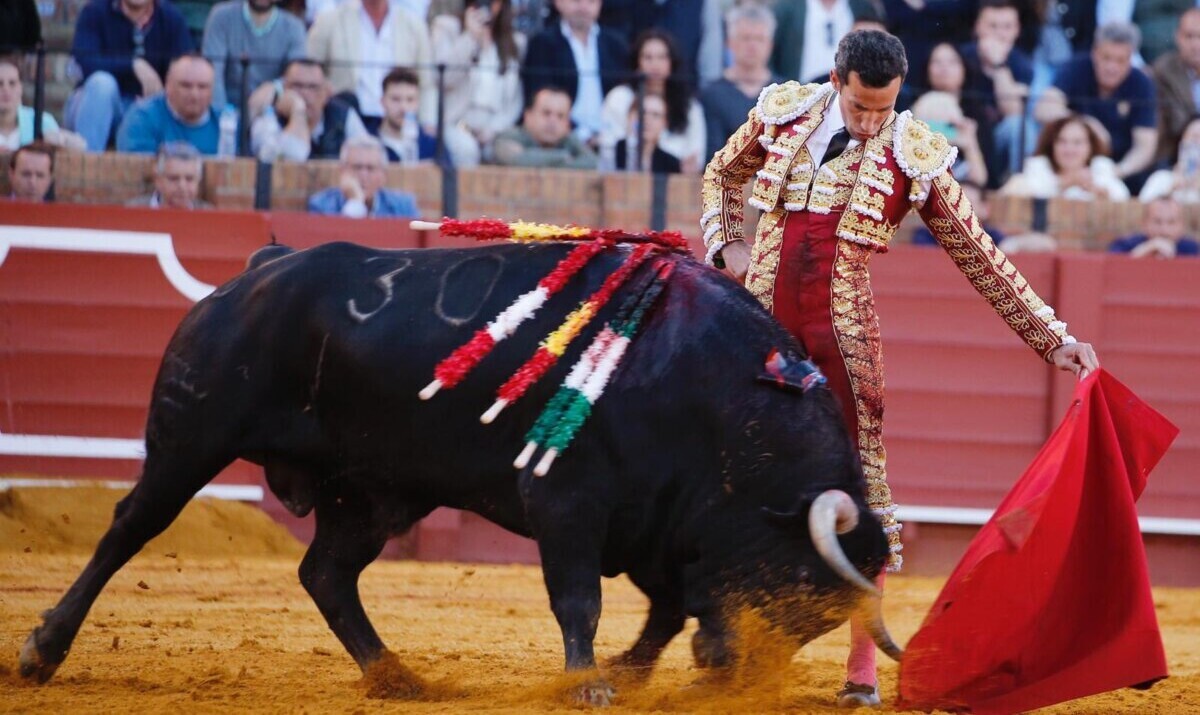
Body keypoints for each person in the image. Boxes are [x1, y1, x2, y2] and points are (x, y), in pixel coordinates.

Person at [701, 30, 1098, 707]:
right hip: (760, 334)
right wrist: (726, 243)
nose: (871, 121)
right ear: (836, 79)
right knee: (742, 480)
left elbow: (979, 253)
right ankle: (742, 641)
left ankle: (861, 667)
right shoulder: (784, 111)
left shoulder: (912, 152)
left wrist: (1051, 336)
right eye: (860, 107)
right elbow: (723, 175)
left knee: (864, 490)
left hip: (845, 344)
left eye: (883, 109)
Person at [1035, 22, 1157, 189]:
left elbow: (1145, 146)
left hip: (1118, 172)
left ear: (1131, 59)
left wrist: (1116, 172)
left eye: (1120, 60)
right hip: (1067, 167)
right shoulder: (1076, 68)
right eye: (1106, 58)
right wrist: (1085, 124)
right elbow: (1043, 109)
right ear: (1095, 53)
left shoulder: (1141, 84)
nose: (1111, 67)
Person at [66, 0, 194, 152]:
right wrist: (133, 65)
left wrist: (161, 92)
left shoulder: (171, 17)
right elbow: (85, 61)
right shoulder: (95, 11)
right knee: (102, 84)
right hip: (99, 106)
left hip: (148, 106)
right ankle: (85, 165)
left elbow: (186, 66)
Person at [306, 0, 436, 131]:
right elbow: (308, 72)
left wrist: (428, 123)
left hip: (398, 126)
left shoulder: (414, 25)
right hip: (344, 123)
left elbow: (426, 83)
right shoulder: (330, 21)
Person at [430, 0, 525, 167]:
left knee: (514, 153)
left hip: (496, 129)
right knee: (467, 150)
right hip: (456, 124)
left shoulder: (516, 42)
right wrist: (470, 37)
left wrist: (493, 129)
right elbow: (443, 78)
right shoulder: (447, 27)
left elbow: (515, 101)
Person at [521, 0, 628, 146]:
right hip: (562, 140)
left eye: (591, 2)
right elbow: (539, 96)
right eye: (576, 1)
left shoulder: (616, 45)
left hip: (610, 140)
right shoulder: (542, 44)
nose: (583, 7)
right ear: (558, 3)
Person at [600, 30, 705, 173]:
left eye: (662, 57)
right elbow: (609, 147)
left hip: (674, 181)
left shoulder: (690, 106)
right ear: (637, 62)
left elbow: (695, 156)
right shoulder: (619, 98)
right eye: (648, 58)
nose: (655, 64)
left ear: (672, 62)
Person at [958, 0, 1033, 184]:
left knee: (1020, 126)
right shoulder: (960, 56)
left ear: (1017, 30)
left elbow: (1014, 112)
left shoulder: (1021, 64)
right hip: (960, 133)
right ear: (978, 27)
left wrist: (999, 65)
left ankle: (1017, 186)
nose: (1000, 34)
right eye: (992, 26)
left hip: (997, 140)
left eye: (1007, 27)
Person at [700, 4, 783, 162]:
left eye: (759, 39)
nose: (752, 45)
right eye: (745, 38)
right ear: (730, 43)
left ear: (770, 45)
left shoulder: (785, 92)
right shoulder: (711, 94)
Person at [248, 59, 370, 162]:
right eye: (297, 86)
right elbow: (291, 160)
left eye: (313, 87)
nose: (305, 94)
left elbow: (369, 156)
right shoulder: (268, 118)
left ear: (326, 92)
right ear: (284, 88)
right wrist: (297, 112)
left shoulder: (344, 115)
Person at [201, 0, 308, 110]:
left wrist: (275, 87)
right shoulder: (221, 16)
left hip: (272, 111)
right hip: (228, 109)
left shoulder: (294, 27)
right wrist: (220, 114)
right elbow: (213, 72)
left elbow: (298, 75)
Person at [1000, 114, 1129, 200]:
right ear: (1052, 145)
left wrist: (1103, 193)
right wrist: (1065, 183)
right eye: (1062, 142)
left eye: (1077, 142)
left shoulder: (1101, 166)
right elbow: (1021, 196)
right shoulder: (1037, 165)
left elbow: (1125, 198)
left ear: (1090, 147)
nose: (1069, 149)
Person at [116, 54, 223, 154]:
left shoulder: (227, 123)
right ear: (168, 86)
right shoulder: (142, 118)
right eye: (186, 86)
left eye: (202, 87)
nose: (194, 94)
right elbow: (137, 169)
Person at [770, 0, 882, 84]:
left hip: (847, 95)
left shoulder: (861, 7)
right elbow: (771, 53)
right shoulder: (788, 8)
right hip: (799, 95)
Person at [308, 135, 420, 218]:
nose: (363, 175)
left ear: (383, 175)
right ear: (342, 171)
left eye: (370, 168)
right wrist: (356, 202)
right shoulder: (321, 205)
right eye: (357, 167)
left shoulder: (404, 207)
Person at [492, 85, 598, 168]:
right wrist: (564, 157)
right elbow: (518, 160)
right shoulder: (509, 137)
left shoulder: (569, 141)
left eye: (560, 116)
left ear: (568, 123)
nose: (552, 121)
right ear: (528, 116)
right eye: (546, 113)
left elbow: (592, 162)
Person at [0, 59, 86, 151]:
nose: (6, 89)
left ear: (20, 88)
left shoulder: (43, 121)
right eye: (0, 84)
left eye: (12, 83)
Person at [1152, 8, 1200, 165]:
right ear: (1177, 37)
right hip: (1174, 156)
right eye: (1189, 36)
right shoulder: (1163, 70)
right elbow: (1174, 124)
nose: (1195, 44)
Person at [376, 67, 438, 164]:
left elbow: (449, 177)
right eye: (395, 99)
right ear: (383, 102)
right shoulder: (368, 141)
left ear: (418, 103)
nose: (403, 107)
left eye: (410, 100)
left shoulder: (432, 144)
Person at [126, 141, 212, 209]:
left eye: (189, 179)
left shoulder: (209, 215)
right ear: (158, 180)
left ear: (198, 181)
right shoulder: (133, 210)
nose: (182, 186)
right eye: (173, 178)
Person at [1109, 197, 1200, 259]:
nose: (1164, 230)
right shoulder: (1124, 245)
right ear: (1144, 224)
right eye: (1157, 222)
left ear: (1181, 225)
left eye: (1171, 222)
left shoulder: (1193, 249)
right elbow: (1111, 267)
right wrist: (1146, 250)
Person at [1140, 116, 1200, 204]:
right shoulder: (1161, 179)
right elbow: (1142, 211)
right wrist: (1171, 189)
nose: (1198, 143)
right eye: (1194, 137)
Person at [614, 93, 681, 173]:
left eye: (655, 115)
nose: (647, 119)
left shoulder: (672, 165)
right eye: (642, 112)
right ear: (631, 115)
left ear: (665, 123)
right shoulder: (615, 151)